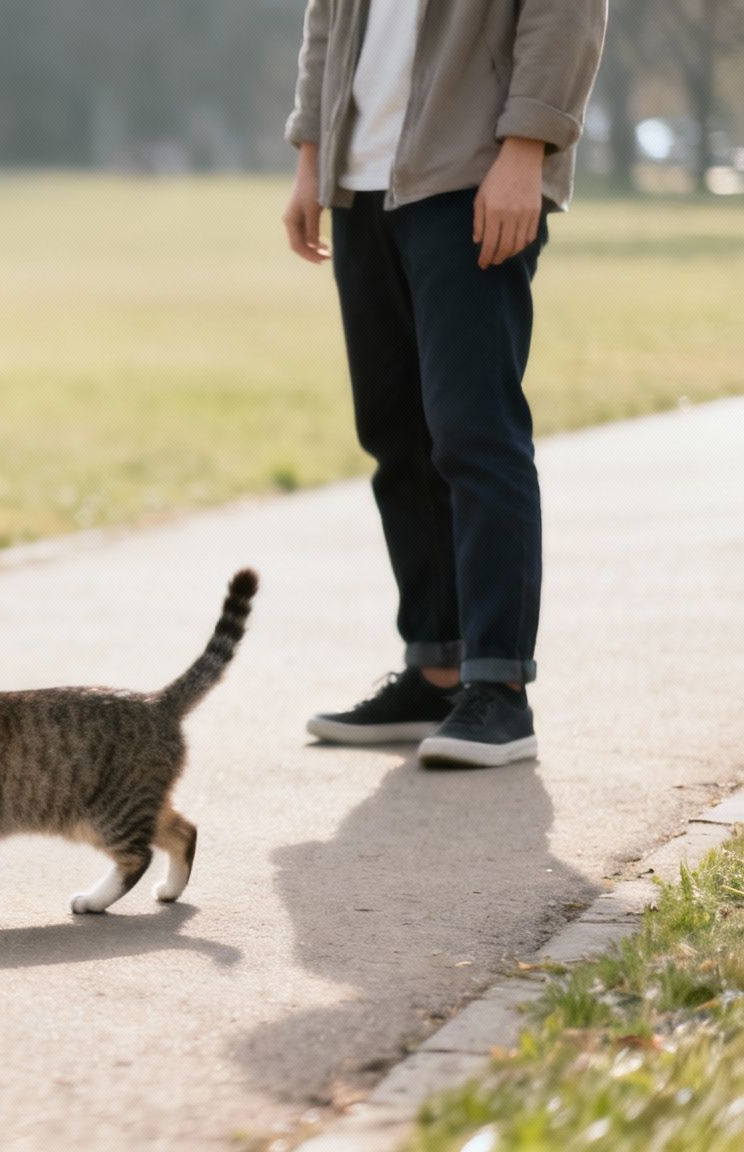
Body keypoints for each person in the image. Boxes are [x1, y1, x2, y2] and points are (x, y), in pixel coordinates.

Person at [283, 0, 605, 767]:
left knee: (474, 433)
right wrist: (312, 155)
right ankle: (434, 669)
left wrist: (527, 149)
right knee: (396, 436)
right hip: (361, 185)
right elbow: (326, 17)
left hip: (472, 171)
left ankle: (499, 688)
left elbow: (565, 15)